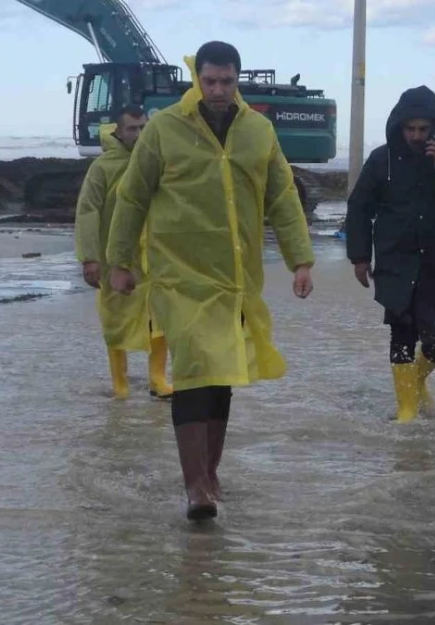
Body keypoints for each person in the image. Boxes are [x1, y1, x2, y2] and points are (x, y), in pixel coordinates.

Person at [106, 41, 315, 522]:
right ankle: (195, 485)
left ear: (237, 80)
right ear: (196, 78)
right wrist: (119, 260)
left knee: (222, 377)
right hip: (178, 274)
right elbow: (132, 197)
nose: (219, 90)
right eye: (210, 80)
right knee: (195, 373)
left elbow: (282, 197)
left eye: (227, 81)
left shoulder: (258, 131)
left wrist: (300, 261)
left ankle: (212, 472)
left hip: (235, 277)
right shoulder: (164, 130)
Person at [345, 86, 435, 423]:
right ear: (400, 127)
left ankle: (418, 381)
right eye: (410, 129)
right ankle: (406, 408)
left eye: (423, 129)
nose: (416, 136)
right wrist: (359, 257)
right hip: (397, 261)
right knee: (402, 333)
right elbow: (359, 207)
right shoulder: (382, 159)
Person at [75, 105, 173, 400]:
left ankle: (158, 378)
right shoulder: (102, 168)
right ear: (118, 131)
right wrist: (89, 257)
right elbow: (88, 211)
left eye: (144, 127)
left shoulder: (157, 162)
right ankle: (121, 384)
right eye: (133, 128)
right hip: (114, 258)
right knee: (116, 319)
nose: (140, 134)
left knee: (160, 317)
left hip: (154, 257)